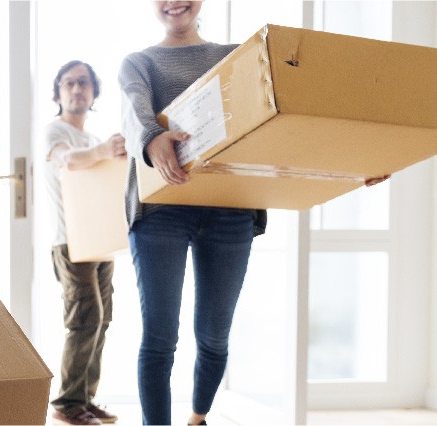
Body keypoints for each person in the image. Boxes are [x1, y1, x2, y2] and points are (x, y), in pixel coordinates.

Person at [119, 2, 389, 424]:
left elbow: (281, 125)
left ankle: (197, 418)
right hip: (161, 211)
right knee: (159, 338)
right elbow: (135, 113)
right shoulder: (140, 63)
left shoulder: (237, 55)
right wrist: (153, 138)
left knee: (213, 336)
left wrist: (353, 166)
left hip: (231, 209)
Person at [44, 60, 127, 426]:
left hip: (101, 241)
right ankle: (67, 404)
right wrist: (103, 154)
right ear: (58, 92)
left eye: (83, 83)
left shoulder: (94, 139)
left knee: (102, 318)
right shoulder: (55, 132)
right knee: (85, 319)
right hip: (70, 243)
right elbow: (66, 160)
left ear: (93, 92)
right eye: (69, 83)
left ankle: (84, 398)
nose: (76, 90)